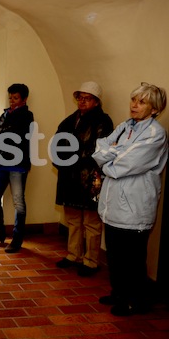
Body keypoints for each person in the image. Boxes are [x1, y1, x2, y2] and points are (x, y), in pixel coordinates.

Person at [92, 82, 167, 317]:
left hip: (135, 206)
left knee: (132, 259)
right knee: (115, 254)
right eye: (134, 100)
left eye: (142, 102)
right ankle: (119, 292)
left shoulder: (155, 134)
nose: (135, 105)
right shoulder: (125, 126)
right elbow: (99, 150)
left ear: (154, 109)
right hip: (113, 203)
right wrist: (114, 153)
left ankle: (135, 300)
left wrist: (112, 155)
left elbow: (123, 166)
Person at [54, 82, 113, 277]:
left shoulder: (104, 122)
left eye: (87, 98)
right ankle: (73, 255)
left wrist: (74, 161)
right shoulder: (70, 120)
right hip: (69, 176)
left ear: (96, 102)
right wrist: (61, 161)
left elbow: (98, 150)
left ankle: (91, 261)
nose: (82, 101)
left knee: (91, 221)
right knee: (72, 219)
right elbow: (58, 143)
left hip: (91, 177)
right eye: (80, 97)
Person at [0, 83, 34, 253]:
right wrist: (4, 132)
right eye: (10, 98)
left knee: (18, 202)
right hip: (0, 162)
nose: (12, 101)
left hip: (18, 165)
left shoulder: (27, 116)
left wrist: (3, 132)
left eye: (15, 98)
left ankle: (17, 239)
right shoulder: (5, 113)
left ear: (24, 99)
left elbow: (15, 137)